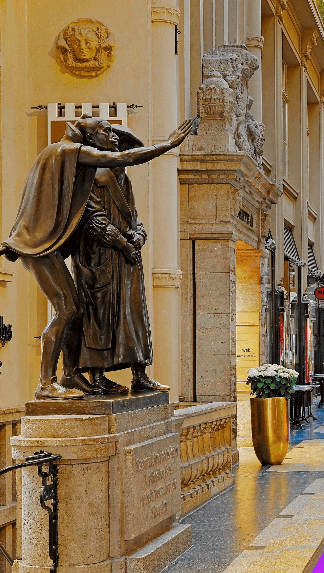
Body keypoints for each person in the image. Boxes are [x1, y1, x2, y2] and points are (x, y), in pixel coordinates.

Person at [1, 115, 196, 399]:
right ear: (90, 138)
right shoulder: (69, 151)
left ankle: (69, 376)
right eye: (105, 131)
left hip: (45, 246)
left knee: (75, 309)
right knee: (69, 309)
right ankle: (48, 383)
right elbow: (125, 162)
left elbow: (130, 215)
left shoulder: (62, 154)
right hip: (40, 247)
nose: (113, 139)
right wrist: (169, 144)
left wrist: (135, 238)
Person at [75, 125, 169, 393]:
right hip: (102, 258)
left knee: (135, 317)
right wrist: (123, 244)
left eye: (124, 144)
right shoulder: (91, 176)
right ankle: (98, 376)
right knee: (99, 319)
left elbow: (134, 218)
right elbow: (95, 221)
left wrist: (139, 237)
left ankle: (139, 373)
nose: (119, 143)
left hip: (126, 260)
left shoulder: (124, 180)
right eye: (113, 137)